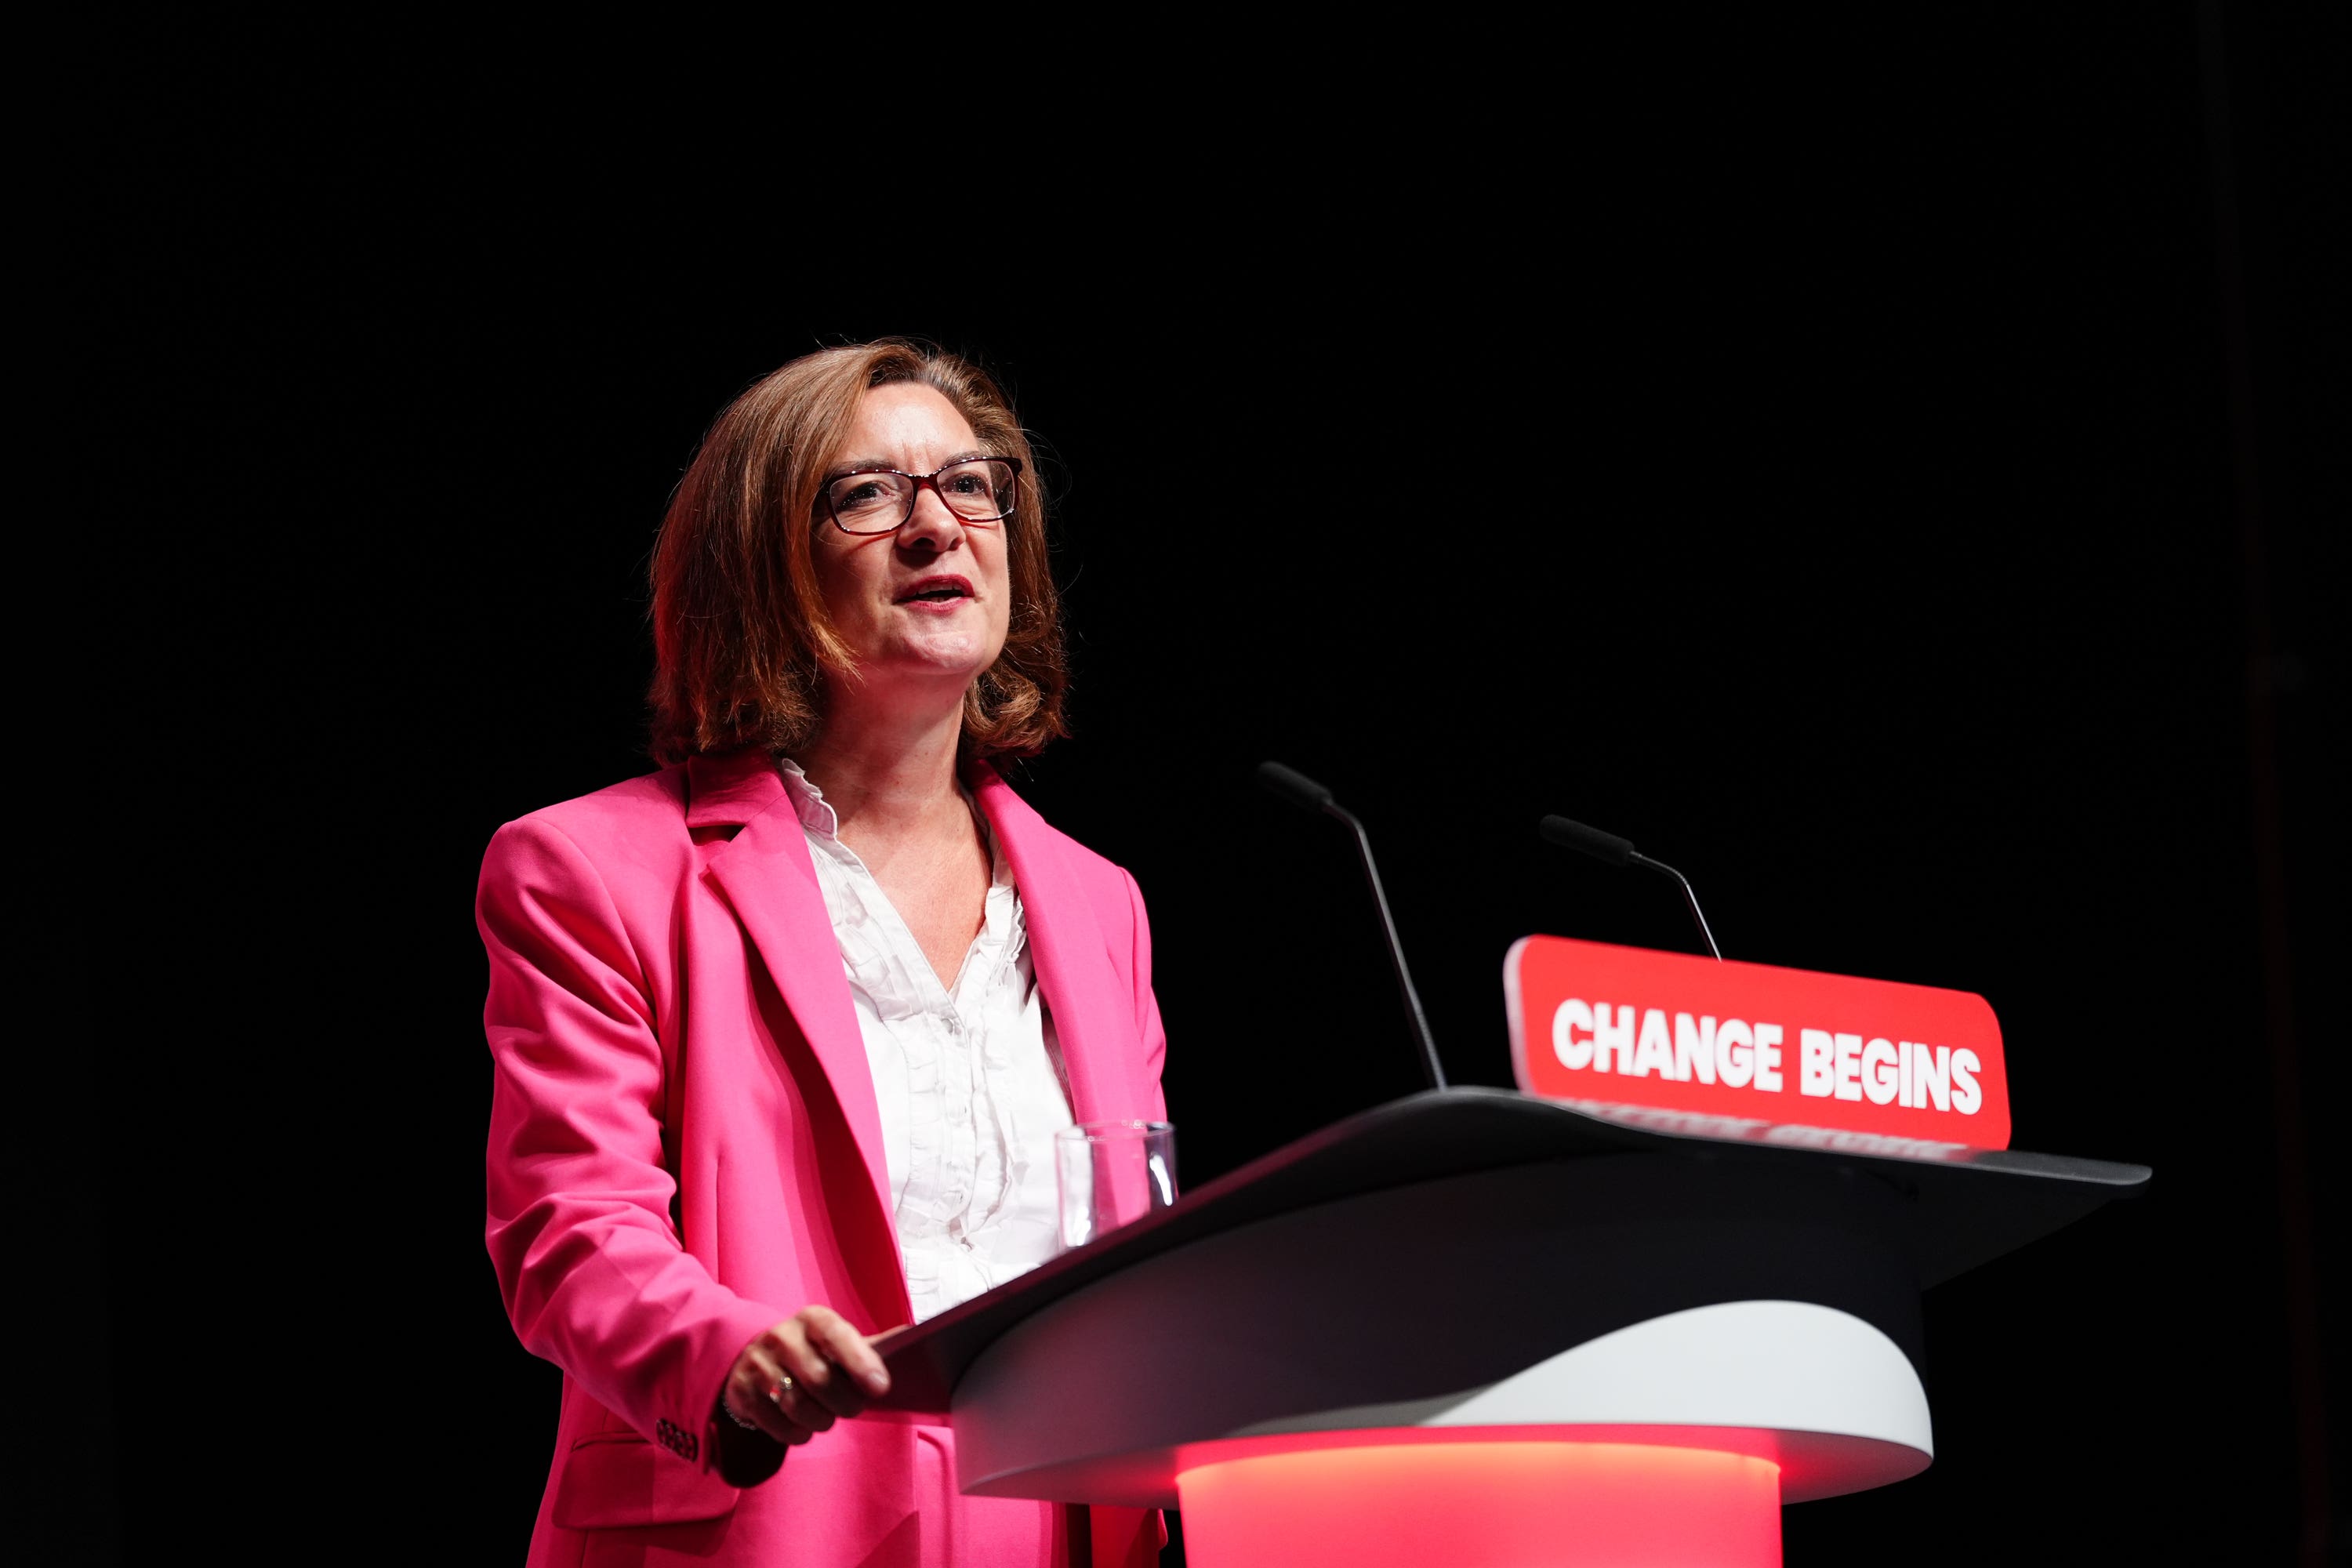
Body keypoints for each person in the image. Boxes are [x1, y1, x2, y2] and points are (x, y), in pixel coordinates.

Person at [476, 339, 1168, 1567]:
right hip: (766, 1526)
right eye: (864, 495)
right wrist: (725, 1355)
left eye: (970, 484)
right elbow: (572, 1231)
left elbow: (1131, 1242)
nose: (936, 527)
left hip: (1059, 1532)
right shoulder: (592, 870)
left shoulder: (1098, 902)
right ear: (760, 568)